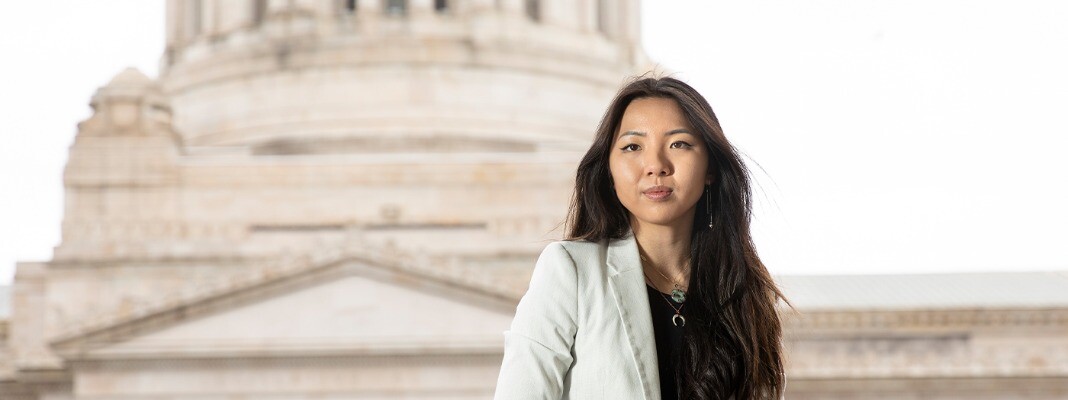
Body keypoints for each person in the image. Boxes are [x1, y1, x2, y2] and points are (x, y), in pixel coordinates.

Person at [493, 76, 789, 400]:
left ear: (710, 169)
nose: (655, 166)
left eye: (679, 144)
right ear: (609, 169)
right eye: (633, 147)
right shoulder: (571, 272)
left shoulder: (746, 291)